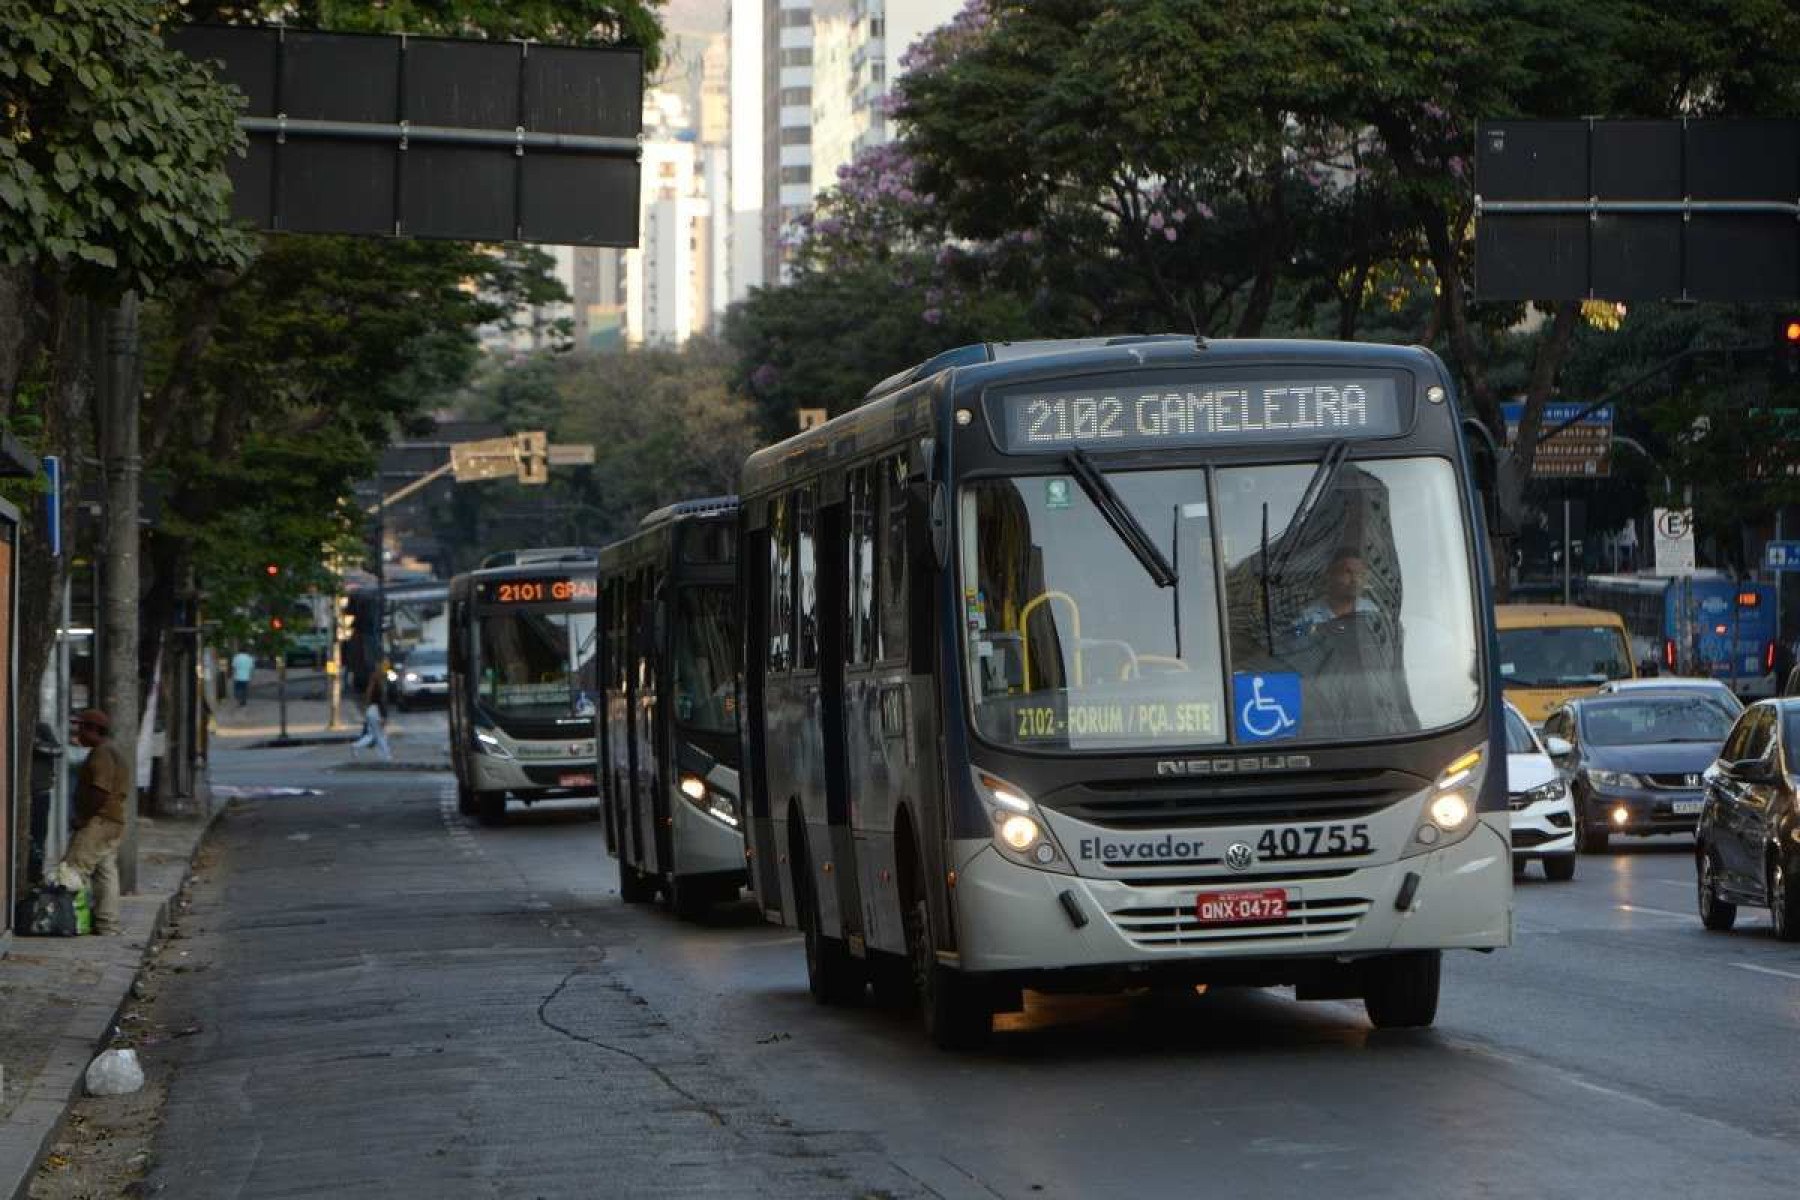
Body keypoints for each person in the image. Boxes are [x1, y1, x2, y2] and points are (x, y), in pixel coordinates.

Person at [56, 708, 127, 935]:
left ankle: (66, 920)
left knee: (72, 869)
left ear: (94, 730)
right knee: (106, 872)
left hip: (98, 821)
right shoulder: (114, 751)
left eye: (82, 727)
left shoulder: (101, 753)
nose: (78, 732)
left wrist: (83, 818)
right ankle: (108, 923)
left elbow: (100, 790)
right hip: (113, 822)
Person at [1293, 548, 1379, 636]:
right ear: (1331, 575)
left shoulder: (1371, 610)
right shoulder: (1308, 618)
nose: (1355, 579)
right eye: (1347, 572)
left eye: (1360, 574)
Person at [353, 664, 393, 761]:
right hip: (376, 711)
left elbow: (368, 700)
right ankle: (386, 756)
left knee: (373, 734)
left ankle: (356, 746)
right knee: (380, 735)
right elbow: (381, 703)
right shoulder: (379, 687)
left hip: (370, 710)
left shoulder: (371, 686)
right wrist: (384, 716)